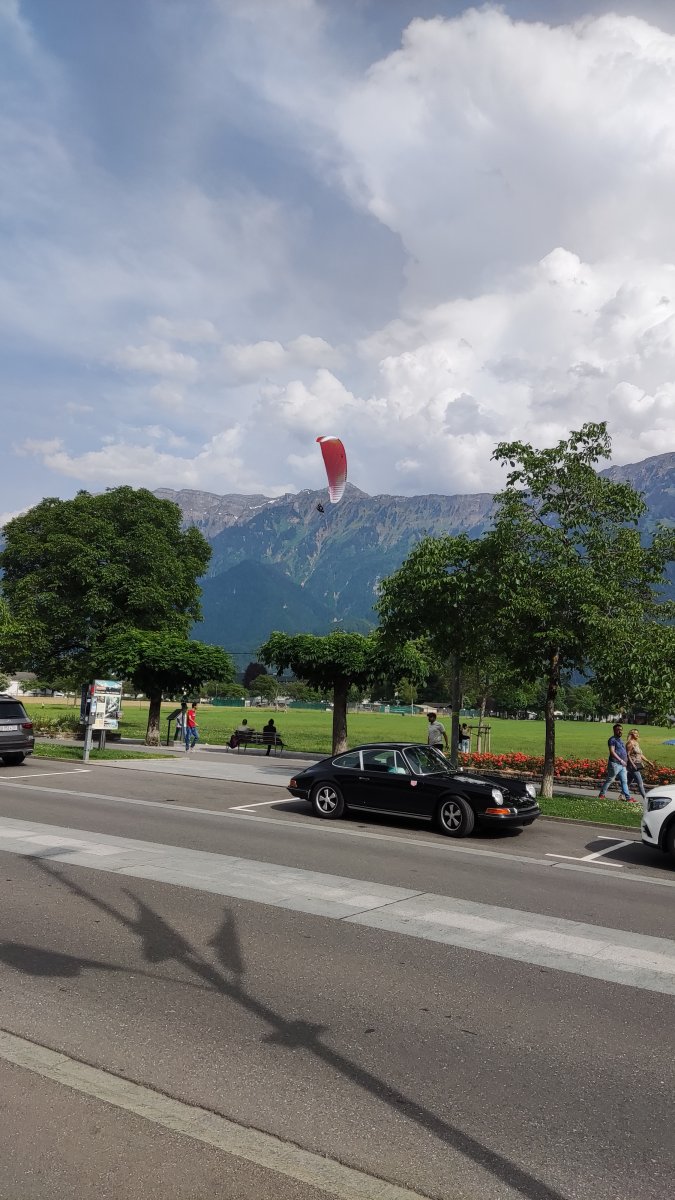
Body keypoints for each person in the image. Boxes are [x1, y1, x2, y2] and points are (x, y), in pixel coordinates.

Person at [598, 723, 632, 801]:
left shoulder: (620, 740)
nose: (620, 731)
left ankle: (628, 798)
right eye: (618, 730)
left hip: (622, 765)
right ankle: (602, 795)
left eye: (621, 730)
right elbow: (612, 752)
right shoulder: (612, 740)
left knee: (624, 781)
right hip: (615, 764)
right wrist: (621, 760)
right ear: (614, 730)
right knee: (610, 779)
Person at [626, 728, 653, 804]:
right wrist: (632, 764)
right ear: (632, 734)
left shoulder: (636, 743)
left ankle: (621, 795)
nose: (637, 734)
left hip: (637, 765)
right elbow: (627, 755)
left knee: (628, 782)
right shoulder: (630, 743)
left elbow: (640, 755)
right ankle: (646, 799)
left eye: (638, 733)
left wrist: (648, 762)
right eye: (635, 733)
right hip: (632, 766)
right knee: (640, 783)